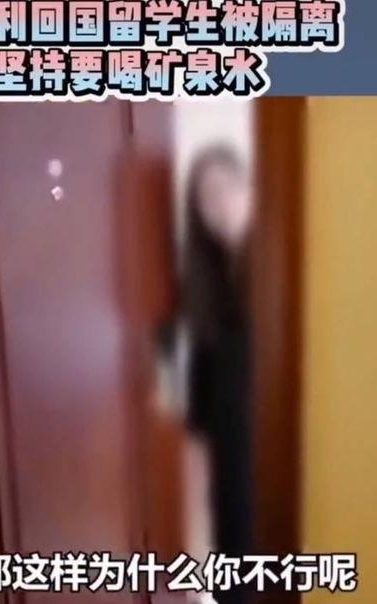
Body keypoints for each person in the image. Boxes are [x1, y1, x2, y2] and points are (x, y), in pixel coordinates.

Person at [184, 145, 255, 603]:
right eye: (207, 199)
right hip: (229, 497)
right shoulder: (204, 301)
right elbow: (196, 436)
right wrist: (195, 548)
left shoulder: (281, 276)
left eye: (228, 187)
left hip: (278, 483)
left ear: (250, 187)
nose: (221, 205)